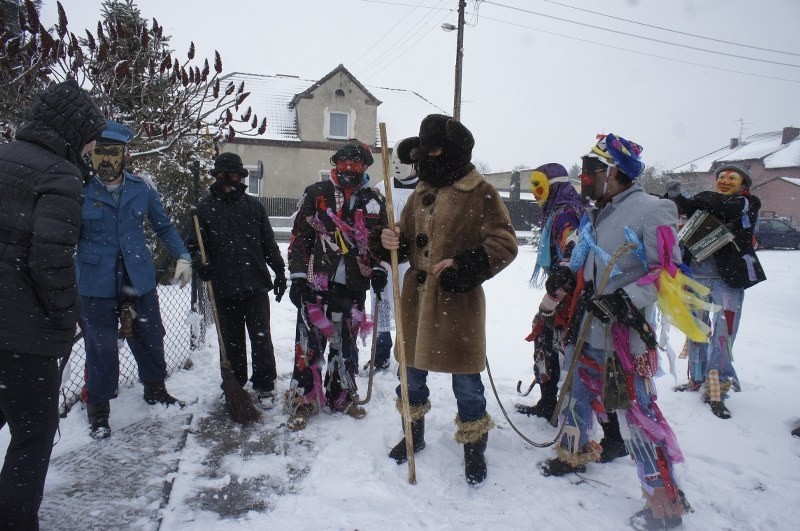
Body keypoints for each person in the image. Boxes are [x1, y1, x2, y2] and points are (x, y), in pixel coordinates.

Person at [539, 134, 692, 530]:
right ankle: (571, 454)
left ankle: (664, 503)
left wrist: (626, 299)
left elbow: (668, 271)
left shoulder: (654, 209)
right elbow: (584, 255)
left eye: (590, 170)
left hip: (625, 336)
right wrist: (565, 273)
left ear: (613, 172)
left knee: (638, 414)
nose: (583, 177)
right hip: (587, 325)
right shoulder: (596, 211)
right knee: (576, 393)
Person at [378, 114, 518, 486]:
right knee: (409, 377)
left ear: (453, 151)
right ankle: (413, 435)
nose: (426, 159)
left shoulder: (481, 192)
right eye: (423, 153)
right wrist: (392, 242)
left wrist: (463, 265)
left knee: (467, 384)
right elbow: (406, 237)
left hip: (458, 305)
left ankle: (474, 447)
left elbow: (505, 243)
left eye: (434, 151)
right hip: (415, 303)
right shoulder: (421, 192)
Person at [0, 80, 105, 529]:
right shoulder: (59, 175)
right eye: (87, 137)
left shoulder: (3, 157)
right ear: (70, 129)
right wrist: (66, 318)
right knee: (32, 435)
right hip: (25, 334)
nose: (88, 148)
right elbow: (51, 260)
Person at [78, 120, 191, 440]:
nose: (106, 160)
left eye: (113, 153)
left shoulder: (141, 189)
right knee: (100, 346)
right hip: (95, 280)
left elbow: (164, 227)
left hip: (136, 275)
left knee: (151, 333)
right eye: (100, 153)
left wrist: (183, 256)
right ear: (93, 156)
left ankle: (155, 390)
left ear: (125, 155)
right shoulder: (80, 190)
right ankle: (98, 410)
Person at [286, 139, 388, 431]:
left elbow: (382, 242)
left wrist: (380, 268)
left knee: (346, 341)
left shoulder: (374, 199)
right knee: (309, 343)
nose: (348, 167)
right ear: (335, 164)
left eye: (356, 163)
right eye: (343, 161)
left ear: (365, 167)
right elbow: (300, 238)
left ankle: (341, 394)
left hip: (354, 282)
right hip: (318, 279)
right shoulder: (317, 194)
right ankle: (304, 400)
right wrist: (297, 278)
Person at [186, 152, 287, 409]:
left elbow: (268, 243)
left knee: (261, 338)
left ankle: (265, 385)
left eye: (232, 175)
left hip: (255, 285)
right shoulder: (203, 210)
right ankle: (234, 383)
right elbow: (194, 245)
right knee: (230, 341)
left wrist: (279, 271)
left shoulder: (253, 207)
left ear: (241, 176)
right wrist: (201, 264)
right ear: (216, 177)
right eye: (222, 175)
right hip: (223, 286)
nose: (227, 180)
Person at [666, 165, 765, 419]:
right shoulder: (707, 201)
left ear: (744, 183)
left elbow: (725, 208)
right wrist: (677, 198)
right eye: (720, 177)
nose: (724, 180)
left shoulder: (747, 203)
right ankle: (697, 379)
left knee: (723, 333)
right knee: (696, 329)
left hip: (727, 281)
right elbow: (692, 209)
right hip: (696, 277)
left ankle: (717, 388)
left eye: (732, 178)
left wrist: (698, 199)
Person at [516, 163, 585, 423]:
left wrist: (564, 270)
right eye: (532, 185)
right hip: (567, 289)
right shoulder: (564, 207)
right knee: (548, 338)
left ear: (553, 184)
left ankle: (561, 408)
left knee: (548, 337)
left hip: (569, 292)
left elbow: (574, 242)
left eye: (538, 184)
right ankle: (552, 403)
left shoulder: (564, 212)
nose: (535, 191)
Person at [366, 142, 419, 372]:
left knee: (408, 309)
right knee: (382, 305)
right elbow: (371, 226)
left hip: (411, 262)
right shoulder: (381, 188)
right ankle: (381, 353)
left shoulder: (423, 192)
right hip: (385, 261)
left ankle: (406, 358)